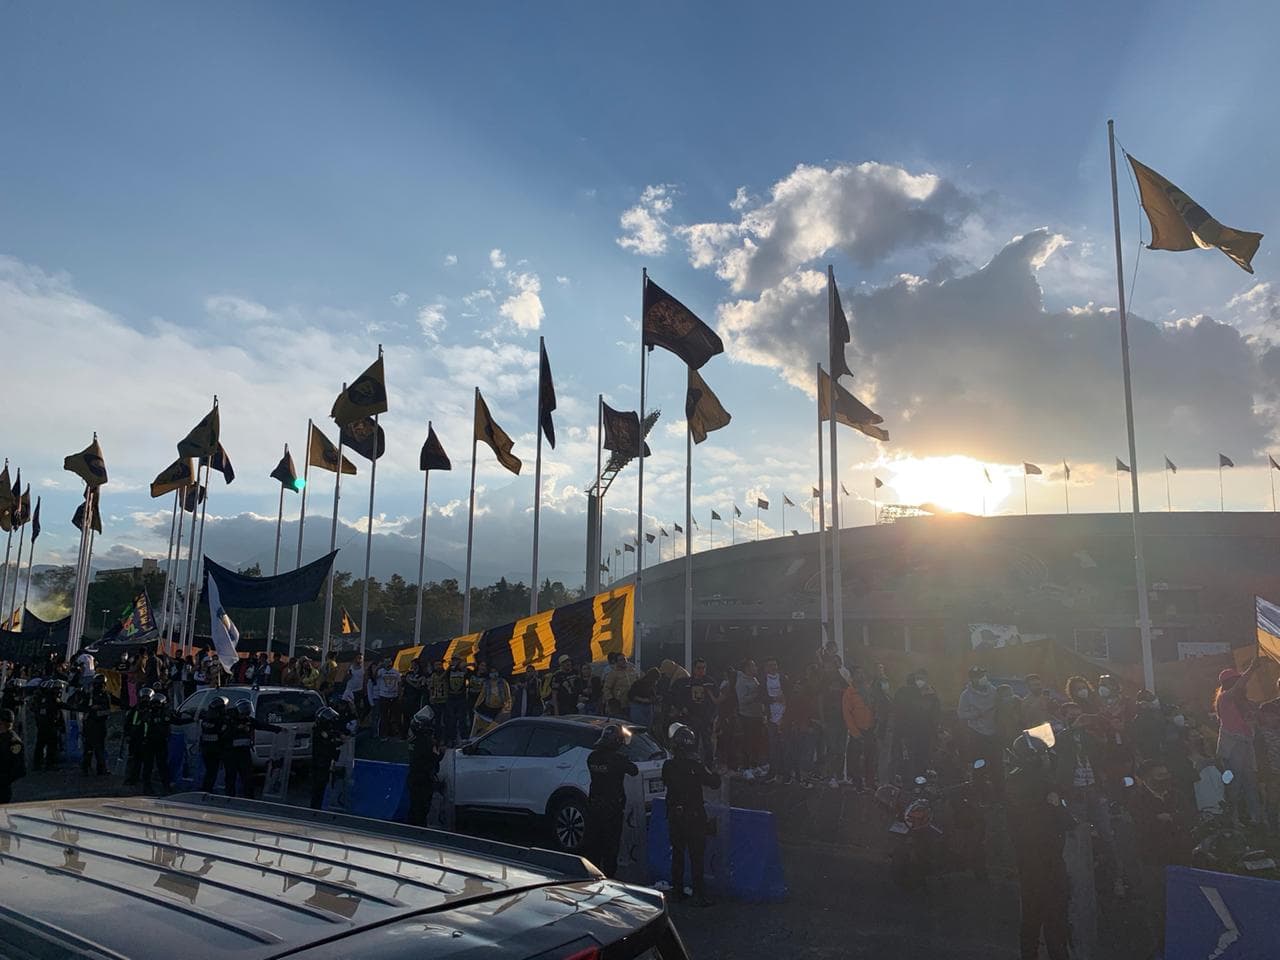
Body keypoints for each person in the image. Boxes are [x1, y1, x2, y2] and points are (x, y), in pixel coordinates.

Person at [1006, 731, 1071, 960]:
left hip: (1035, 858)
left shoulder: (1021, 779)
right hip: (1042, 859)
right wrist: (1054, 801)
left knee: (1034, 914)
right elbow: (1065, 820)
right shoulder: (1034, 784)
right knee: (1051, 914)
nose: (1047, 757)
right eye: (1043, 754)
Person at [1131, 757, 1190, 957]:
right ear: (1147, 778)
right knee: (1157, 906)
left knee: (1181, 904)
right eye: (1159, 775)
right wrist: (1165, 820)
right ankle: (1159, 948)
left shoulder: (1176, 794)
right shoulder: (1138, 799)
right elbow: (1143, 827)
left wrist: (1169, 818)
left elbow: (1189, 816)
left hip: (1179, 858)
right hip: (1153, 861)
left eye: (1166, 774)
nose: (1165, 778)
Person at [663, 722, 722, 905]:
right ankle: (699, 894)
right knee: (697, 857)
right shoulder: (696, 766)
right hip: (694, 816)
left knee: (678, 855)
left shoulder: (668, 765)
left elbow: (667, 782)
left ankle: (678, 891)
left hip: (675, 815)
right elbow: (714, 782)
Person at [585, 722, 638, 877]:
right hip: (612, 808)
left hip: (594, 806)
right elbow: (633, 770)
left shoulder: (592, 757)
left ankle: (592, 876)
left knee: (595, 844)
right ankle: (609, 877)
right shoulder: (618, 759)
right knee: (611, 846)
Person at [1214, 660, 1262, 822]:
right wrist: (1251, 669)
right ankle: (1233, 821)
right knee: (1234, 785)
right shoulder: (1225, 698)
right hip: (1232, 746)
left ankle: (1257, 819)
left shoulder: (1243, 703)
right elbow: (1239, 687)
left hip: (1246, 744)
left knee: (1251, 784)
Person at [221, 699, 283, 798]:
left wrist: (278, 729)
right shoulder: (229, 720)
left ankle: (249, 797)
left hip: (244, 752)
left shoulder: (248, 720)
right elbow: (224, 735)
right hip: (230, 753)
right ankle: (229, 797)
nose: (245, 715)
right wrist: (237, 729)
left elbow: (261, 725)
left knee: (247, 776)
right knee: (230, 776)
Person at [892, 669, 940, 779]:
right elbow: (899, 712)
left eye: (922, 678)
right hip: (908, 732)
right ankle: (910, 783)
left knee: (922, 757)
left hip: (924, 732)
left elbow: (935, 712)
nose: (919, 681)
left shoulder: (931, 693)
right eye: (917, 679)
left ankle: (920, 781)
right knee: (909, 758)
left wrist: (935, 729)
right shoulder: (905, 693)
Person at [957, 666, 1000, 773]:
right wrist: (975, 714)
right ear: (972, 679)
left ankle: (999, 786)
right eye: (978, 677)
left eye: (982, 675)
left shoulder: (994, 691)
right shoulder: (966, 695)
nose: (982, 678)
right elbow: (961, 714)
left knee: (997, 763)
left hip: (994, 732)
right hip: (977, 734)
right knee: (979, 763)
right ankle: (979, 785)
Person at [406, 705, 443, 826]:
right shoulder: (426, 742)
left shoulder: (413, 741)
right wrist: (439, 753)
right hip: (424, 778)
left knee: (415, 805)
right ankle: (419, 829)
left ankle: (413, 826)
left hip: (414, 777)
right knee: (422, 806)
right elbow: (435, 758)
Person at [310, 705, 350, 810]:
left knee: (324, 783)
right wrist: (338, 741)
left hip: (326, 760)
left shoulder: (327, 730)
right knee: (319, 784)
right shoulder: (319, 731)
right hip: (321, 762)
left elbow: (336, 734)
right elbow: (328, 742)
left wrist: (340, 736)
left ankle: (321, 804)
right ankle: (315, 806)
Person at [842, 666, 875, 790]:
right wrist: (855, 732)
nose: (860, 676)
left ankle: (870, 783)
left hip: (870, 730)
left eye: (862, 673)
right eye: (857, 674)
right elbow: (847, 713)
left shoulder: (869, 690)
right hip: (857, 731)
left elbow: (874, 707)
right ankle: (858, 784)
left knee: (870, 758)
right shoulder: (849, 692)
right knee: (855, 760)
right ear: (853, 676)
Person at [735, 659, 765, 777]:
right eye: (754, 666)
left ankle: (755, 765)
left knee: (756, 741)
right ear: (747, 668)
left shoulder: (754, 679)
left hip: (757, 715)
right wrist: (757, 694)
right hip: (747, 716)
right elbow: (742, 700)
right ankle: (745, 767)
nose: (756, 668)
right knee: (747, 741)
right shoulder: (741, 681)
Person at [77, 673, 111, 776]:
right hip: (90, 724)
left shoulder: (105, 695)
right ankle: (85, 768)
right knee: (88, 748)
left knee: (99, 748)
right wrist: (90, 710)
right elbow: (81, 707)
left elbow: (107, 711)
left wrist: (98, 710)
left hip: (99, 724)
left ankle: (101, 768)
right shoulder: (89, 695)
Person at [141, 694, 176, 793]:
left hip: (159, 742)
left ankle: (165, 786)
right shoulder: (148, 714)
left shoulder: (164, 713)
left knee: (161, 765)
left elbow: (175, 720)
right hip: (150, 742)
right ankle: (148, 786)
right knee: (151, 765)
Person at [31, 679, 66, 771]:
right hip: (50, 725)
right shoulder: (51, 699)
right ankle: (49, 764)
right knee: (51, 745)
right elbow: (61, 708)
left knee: (40, 744)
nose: (59, 692)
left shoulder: (42, 699)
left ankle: (38, 764)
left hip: (43, 725)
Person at [761, 658, 786, 780]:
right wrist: (774, 700)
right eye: (770, 665)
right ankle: (773, 771)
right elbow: (761, 697)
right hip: (771, 717)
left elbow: (789, 693)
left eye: (775, 665)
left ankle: (784, 771)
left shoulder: (783, 678)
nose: (773, 667)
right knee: (772, 746)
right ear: (766, 668)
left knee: (784, 745)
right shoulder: (763, 680)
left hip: (783, 716)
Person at [123, 687, 155, 784]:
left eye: (147, 698)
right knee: (134, 760)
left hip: (149, 739)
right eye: (143, 697)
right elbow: (128, 723)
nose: (145, 700)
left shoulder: (154, 710)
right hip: (135, 738)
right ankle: (132, 778)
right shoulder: (135, 709)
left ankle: (146, 781)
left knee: (148, 762)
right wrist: (127, 734)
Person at [472, 667, 512, 737]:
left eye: (495, 672)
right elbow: (482, 695)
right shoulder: (487, 683)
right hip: (489, 708)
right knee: (488, 728)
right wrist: (476, 705)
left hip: (500, 708)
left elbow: (508, 696)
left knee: (499, 727)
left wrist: (507, 708)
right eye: (492, 672)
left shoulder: (503, 682)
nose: (493, 674)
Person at [0, 708, 24, 804]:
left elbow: (19, 769)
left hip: (2, 788)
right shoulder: (2, 737)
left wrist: (3, 780)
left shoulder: (13, 742)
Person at [602, 655, 635, 719]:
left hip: (631, 703)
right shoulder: (613, 673)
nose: (623, 661)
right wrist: (611, 699)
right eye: (621, 660)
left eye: (624, 659)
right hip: (619, 704)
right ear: (616, 662)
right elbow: (606, 688)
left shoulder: (631, 670)